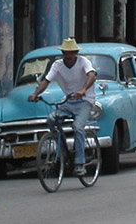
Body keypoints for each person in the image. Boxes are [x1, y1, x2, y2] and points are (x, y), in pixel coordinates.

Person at [28, 38, 97, 176]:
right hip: (69, 101)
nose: (68, 56)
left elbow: (92, 75)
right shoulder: (57, 65)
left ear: (76, 53)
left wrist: (83, 89)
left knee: (78, 127)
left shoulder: (84, 62)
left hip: (85, 100)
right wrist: (35, 94)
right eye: (66, 53)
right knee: (51, 119)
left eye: (71, 53)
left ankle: (80, 163)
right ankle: (61, 146)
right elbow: (46, 80)